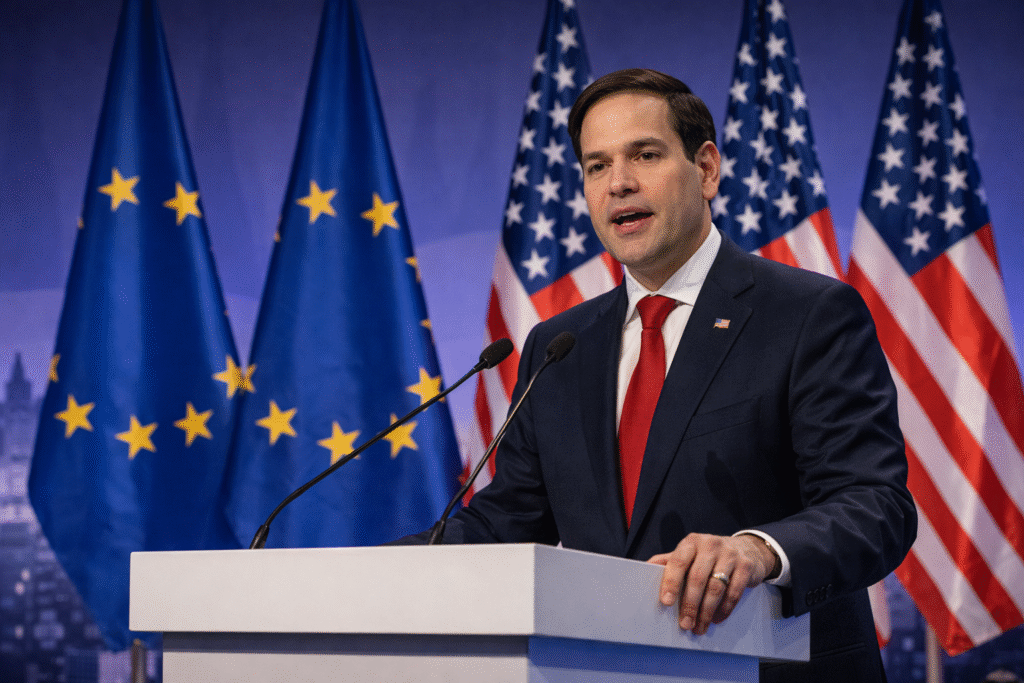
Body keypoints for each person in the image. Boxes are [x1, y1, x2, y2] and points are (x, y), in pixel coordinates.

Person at [400, 68, 917, 682]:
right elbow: (508, 519)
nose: (619, 183)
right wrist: (372, 571)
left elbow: (874, 504)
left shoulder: (807, 314)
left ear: (705, 170)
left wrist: (757, 550)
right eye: (596, 166)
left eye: (644, 154)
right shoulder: (558, 347)